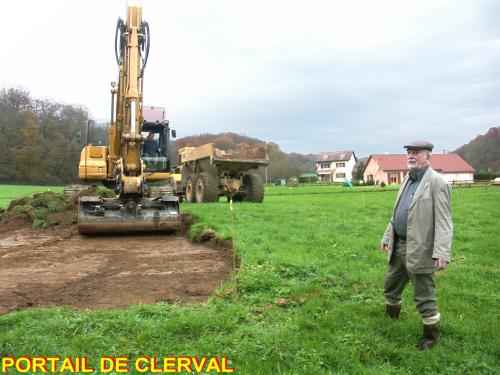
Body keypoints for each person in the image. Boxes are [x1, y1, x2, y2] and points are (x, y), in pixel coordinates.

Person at [380, 140, 453, 351]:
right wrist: (387, 237)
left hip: (421, 248)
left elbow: (444, 221)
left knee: (423, 294)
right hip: (399, 245)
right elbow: (397, 214)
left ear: (428, 156)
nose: (411, 156)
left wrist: (441, 251)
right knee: (391, 285)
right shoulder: (407, 180)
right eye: (409, 152)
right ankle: (390, 319)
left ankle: (430, 336)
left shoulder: (437, 182)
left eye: (416, 153)